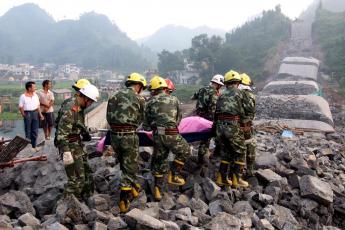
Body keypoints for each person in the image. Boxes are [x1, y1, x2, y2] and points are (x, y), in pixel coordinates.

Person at [143, 76, 190, 201]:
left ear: (154, 90)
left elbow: (146, 125)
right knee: (185, 150)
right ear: (164, 88)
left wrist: (156, 127)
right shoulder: (174, 100)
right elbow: (178, 119)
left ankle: (157, 191)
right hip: (172, 134)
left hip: (158, 135)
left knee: (159, 161)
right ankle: (174, 174)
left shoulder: (149, 103)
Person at [106, 73, 147, 213]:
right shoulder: (139, 98)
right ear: (138, 85)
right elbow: (143, 118)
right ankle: (124, 199)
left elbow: (108, 117)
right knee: (130, 166)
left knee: (124, 163)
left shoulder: (113, 96)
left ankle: (134, 187)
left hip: (114, 135)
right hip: (129, 135)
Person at [54, 84, 99, 201]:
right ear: (86, 98)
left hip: (77, 144)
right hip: (70, 146)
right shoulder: (71, 108)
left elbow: (77, 126)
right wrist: (66, 152)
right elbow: (61, 134)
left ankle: (84, 201)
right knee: (76, 179)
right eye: (91, 102)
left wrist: (87, 131)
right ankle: (66, 207)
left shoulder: (79, 108)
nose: (91, 104)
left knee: (87, 174)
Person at [214, 70, 249, 188]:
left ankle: (221, 178)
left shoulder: (221, 95)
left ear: (226, 83)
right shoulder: (241, 93)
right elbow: (247, 111)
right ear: (238, 83)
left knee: (226, 152)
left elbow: (216, 112)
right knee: (240, 151)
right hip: (232, 126)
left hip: (220, 127)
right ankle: (236, 180)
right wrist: (245, 123)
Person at [192, 75, 224, 165]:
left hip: (199, 117)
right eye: (220, 86)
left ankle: (201, 159)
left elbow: (193, 97)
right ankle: (204, 160)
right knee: (207, 140)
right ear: (217, 84)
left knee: (204, 139)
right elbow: (213, 109)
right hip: (208, 118)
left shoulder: (202, 89)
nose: (220, 87)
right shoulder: (213, 93)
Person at [19, 81, 44, 152]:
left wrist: (40, 114)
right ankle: (28, 147)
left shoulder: (35, 95)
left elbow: (38, 106)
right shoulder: (23, 96)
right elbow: (21, 107)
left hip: (35, 113)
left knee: (35, 130)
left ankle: (34, 146)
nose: (35, 88)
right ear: (29, 88)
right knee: (28, 130)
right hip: (27, 113)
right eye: (34, 87)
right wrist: (24, 115)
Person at [239, 73, 256, 176]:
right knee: (250, 146)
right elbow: (252, 113)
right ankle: (249, 171)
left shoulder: (230, 94)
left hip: (232, 126)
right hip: (246, 126)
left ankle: (236, 172)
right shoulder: (250, 96)